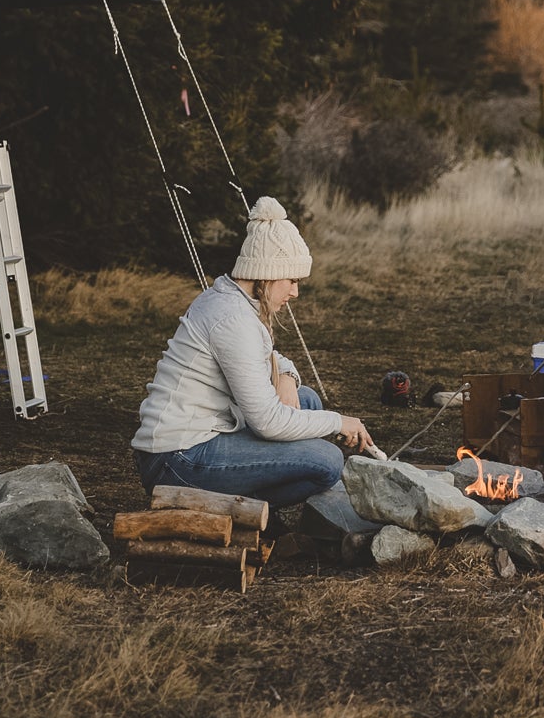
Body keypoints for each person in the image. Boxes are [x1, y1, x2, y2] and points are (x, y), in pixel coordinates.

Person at [131, 196, 377, 506]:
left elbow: (266, 357)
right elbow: (269, 422)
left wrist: (287, 376)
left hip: (197, 437)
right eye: (292, 280)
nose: (295, 292)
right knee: (327, 462)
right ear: (267, 272)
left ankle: (241, 498)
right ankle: (237, 512)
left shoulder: (230, 297)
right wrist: (339, 422)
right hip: (177, 458)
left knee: (308, 401)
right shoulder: (233, 318)